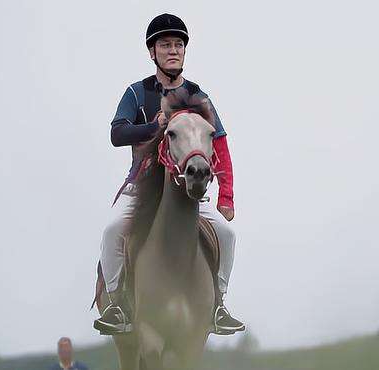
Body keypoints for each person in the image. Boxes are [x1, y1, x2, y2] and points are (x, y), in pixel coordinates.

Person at [93, 13, 244, 336]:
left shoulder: (199, 97)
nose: (173, 50)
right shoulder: (136, 93)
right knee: (111, 231)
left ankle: (217, 304)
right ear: (152, 52)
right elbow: (117, 134)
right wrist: (154, 126)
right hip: (143, 188)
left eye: (178, 45)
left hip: (189, 190)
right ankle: (119, 303)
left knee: (228, 236)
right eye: (165, 45)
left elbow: (220, 145)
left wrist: (226, 196)